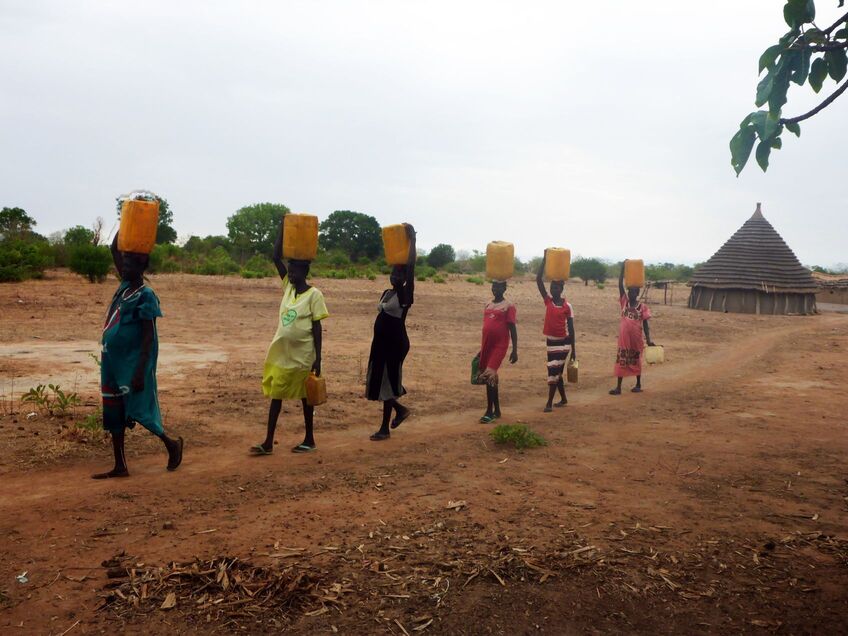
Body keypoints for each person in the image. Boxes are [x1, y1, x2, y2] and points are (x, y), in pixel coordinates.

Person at [93, 235, 183, 479]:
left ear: (142, 266)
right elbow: (114, 248)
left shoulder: (146, 295)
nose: (124, 267)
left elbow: (148, 337)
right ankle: (120, 465)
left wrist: (141, 370)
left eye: (130, 264)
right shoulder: (125, 287)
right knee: (114, 410)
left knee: (140, 408)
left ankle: (171, 444)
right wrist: (125, 221)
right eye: (123, 263)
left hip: (133, 364)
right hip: (112, 361)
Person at [252, 220, 328, 455]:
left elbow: (317, 328)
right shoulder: (288, 288)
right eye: (290, 270)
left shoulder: (314, 295)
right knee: (276, 394)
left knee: (306, 397)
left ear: (304, 272)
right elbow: (276, 258)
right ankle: (268, 442)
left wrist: (318, 358)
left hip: (303, 355)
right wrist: (282, 228)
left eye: (295, 270)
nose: (291, 273)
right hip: (282, 355)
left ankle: (309, 439)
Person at [368, 225, 417, 441]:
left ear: (405, 277)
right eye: (393, 272)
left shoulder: (405, 294)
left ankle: (384, 429)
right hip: (380, 343)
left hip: (395, 343)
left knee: (387, 382)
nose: (395, 276)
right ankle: (400, 409)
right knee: (381, 380)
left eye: (400, 273)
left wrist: (412, 240)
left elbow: (412, 266)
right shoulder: (386, 292)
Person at [536, 251, 576, 412]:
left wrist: (574, 351)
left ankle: (549, 402)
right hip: (551, 342)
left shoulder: (568, 306)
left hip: (564, 343)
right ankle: (564, 399)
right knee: (556, 371)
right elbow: (538, 280)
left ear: (562, 288)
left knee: (553, 370)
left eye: (557, 287)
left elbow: (572, 330)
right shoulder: (548, 301)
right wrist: (544, 259)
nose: (553, 289)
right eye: (552, 287)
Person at [610, 261, 656, 395]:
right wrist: (622, 269)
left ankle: (638, 384)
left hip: (636, 338)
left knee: (636, 360)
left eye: (633, 291)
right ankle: (618, 387)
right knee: (622, 359)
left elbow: (645, 324)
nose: (630, 293)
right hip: (624, 337)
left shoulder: (642, 307)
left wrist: (648, 339)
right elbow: (620, 285)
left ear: (637, 293)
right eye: (629, 291)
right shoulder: (624, 302)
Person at [477, 280, 518, 423]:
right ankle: (497, 410)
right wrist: (481, 349)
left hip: (500, 345)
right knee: (491, 377)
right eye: (494, 286)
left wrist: (515, 350)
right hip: (487, 345)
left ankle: (489, 411)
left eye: (499, 286)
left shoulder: (509, 306)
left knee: (489, 375)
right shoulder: (488, 304)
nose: (495, 288)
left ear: (505, 288)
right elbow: (487, 328)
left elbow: (512, 329)